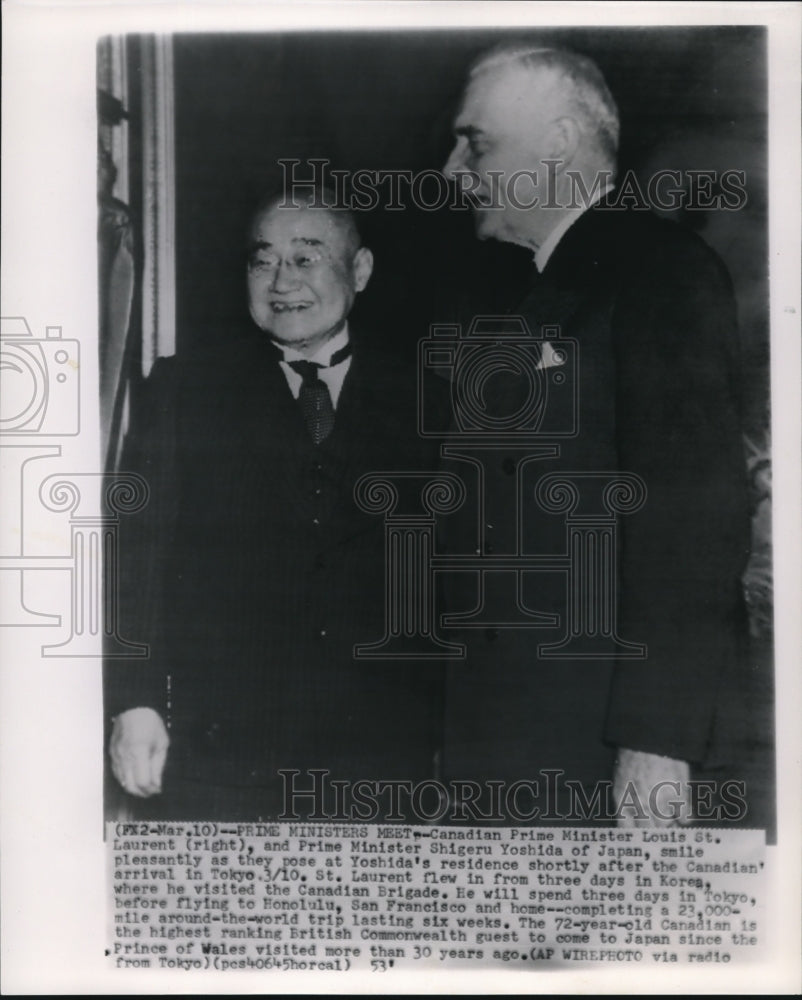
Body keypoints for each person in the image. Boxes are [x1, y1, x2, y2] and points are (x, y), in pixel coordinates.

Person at [438, 44, 752, 825]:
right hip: (522, 743)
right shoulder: (541, 290)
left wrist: (658, 740)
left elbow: (691, 525)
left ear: (555, 141)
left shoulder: (660, 273)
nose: (451, 170)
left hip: (602, 749)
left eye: (475, 142)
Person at [106, 189, 445, 820]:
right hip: (219, 757)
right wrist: (136, 701)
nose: (282, 281)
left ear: (361, 270)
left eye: (307, 258)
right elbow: (134, 556)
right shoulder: (185, 391)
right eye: (263, 262)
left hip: (380, 762)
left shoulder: (432, 400)